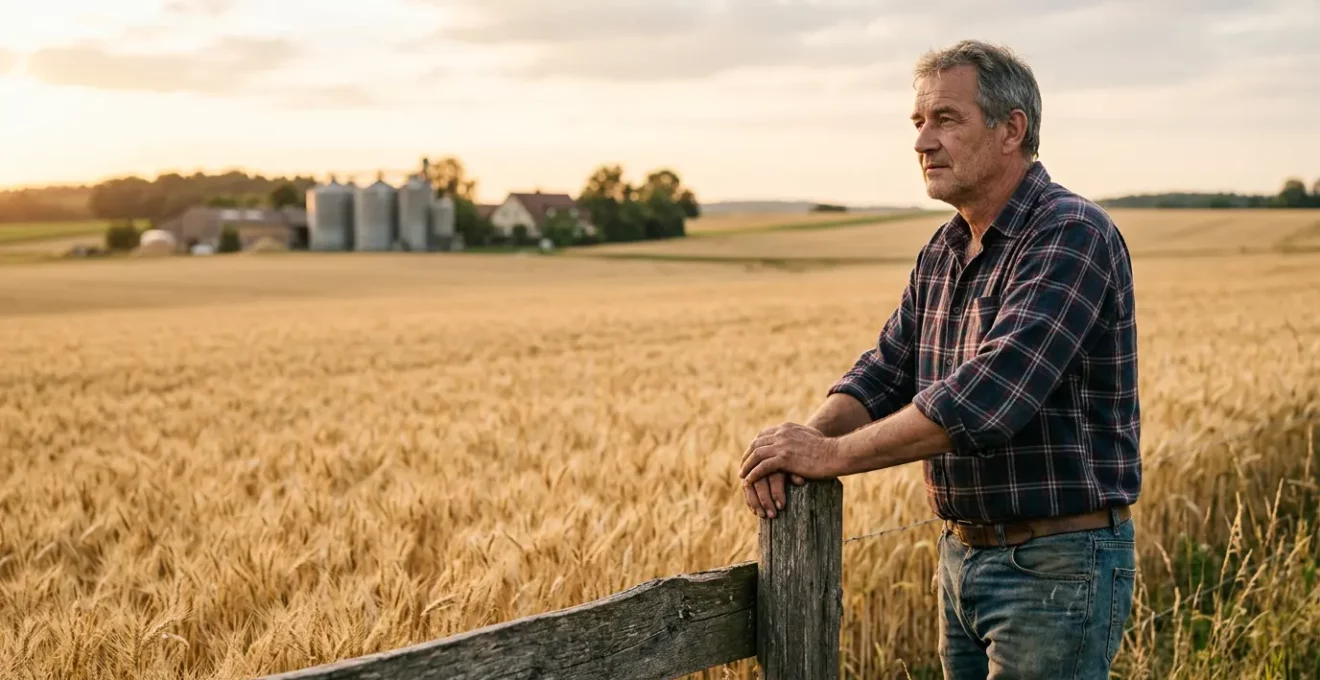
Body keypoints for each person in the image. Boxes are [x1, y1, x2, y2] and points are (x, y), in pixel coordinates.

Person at [737, 39, 1141, 679]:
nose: (923, 141)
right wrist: (801, 441)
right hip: (963, 557)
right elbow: (886, 369)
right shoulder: (946, 248)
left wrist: (832, 457)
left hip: (1057, 564)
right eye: (918, 122)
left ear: (1012, 129)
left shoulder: (1070, 232)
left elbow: (987, 399)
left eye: (945, 120)